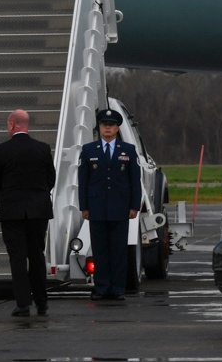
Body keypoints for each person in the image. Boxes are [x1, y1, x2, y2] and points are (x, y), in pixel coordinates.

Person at [0, 109, 56, 317]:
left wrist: (7, 200)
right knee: (37, 256)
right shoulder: (43, 149)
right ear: (27, 125)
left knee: (17, 258)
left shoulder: (1, 150)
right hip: (38, 211)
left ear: (11, 125)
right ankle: (42, 302)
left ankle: (23, 304)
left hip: (12, 213)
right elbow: (50, 179)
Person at [78, 107, 140, 301]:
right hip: (96, 209)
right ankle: (102, 287)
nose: (107, 128)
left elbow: (134, 181)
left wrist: (134, 206)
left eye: (111, 125)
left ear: (117, 128)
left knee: (119, 250)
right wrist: (84, 207)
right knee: (100, 250)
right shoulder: (89, 150)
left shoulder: (128, 150)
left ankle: (117, 288)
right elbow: (83, 181)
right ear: (99, 127)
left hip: (120, 208)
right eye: (104, 125)